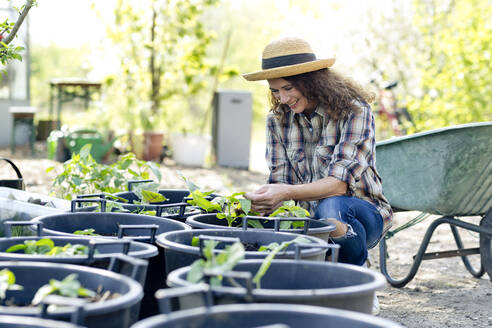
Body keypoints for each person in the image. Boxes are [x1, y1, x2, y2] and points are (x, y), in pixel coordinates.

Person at [242, 36, 393, 269]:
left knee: (331, 209)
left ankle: (357, 275)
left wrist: (285, 192)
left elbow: (338, 185)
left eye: (288, 88)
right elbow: (281, 180)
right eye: (275, 91)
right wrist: (262, 201)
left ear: (312, 81)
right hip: (308, 221)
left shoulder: (354, 111)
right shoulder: (277, 121)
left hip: (361, 213)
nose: (282, 98)